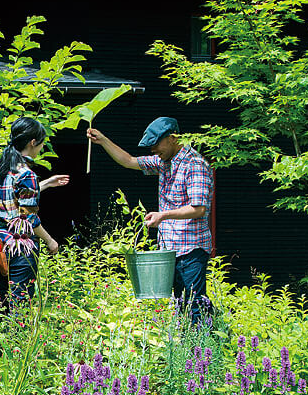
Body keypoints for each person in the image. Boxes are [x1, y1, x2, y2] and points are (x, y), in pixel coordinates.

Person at [87, 117, 214, 323]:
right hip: (172, 248)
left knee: (195, 307)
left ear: (172, 138)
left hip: (191, 249)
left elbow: (198, 209)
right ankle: (189, 351)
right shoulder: (164, 162)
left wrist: (163, 215)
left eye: (156, 144)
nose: (153, 149)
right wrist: (103, 140)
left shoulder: (195, 164)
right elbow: (129, 161)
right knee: (181, 306)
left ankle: (203, 352)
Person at [0, 117, 67, 306]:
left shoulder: (1, 168)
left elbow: (12, 202)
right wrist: (50, 241)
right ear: (33, 143)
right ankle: (16, 337)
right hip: (20, 248)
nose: (42, 147)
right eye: (42, 143)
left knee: (0, 301)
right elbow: (28, 218)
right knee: (20, 304)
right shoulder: (27, 174)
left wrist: (47, 183)